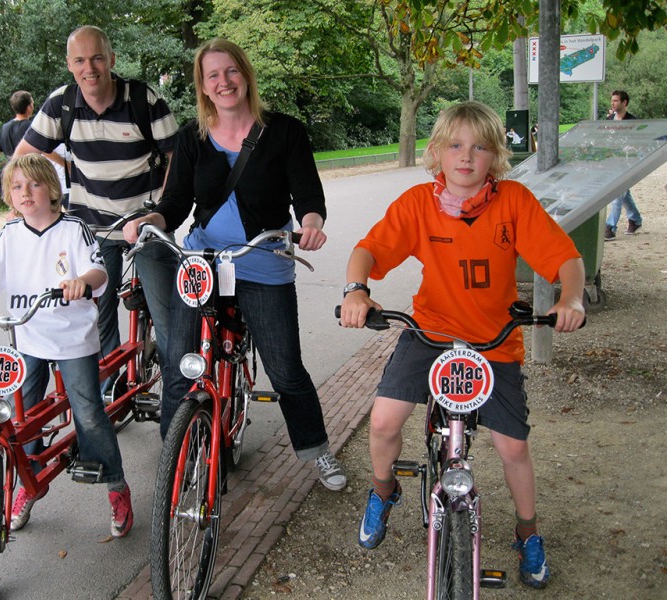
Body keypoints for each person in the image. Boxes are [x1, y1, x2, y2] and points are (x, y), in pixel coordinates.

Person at [339, 102, 586, 588]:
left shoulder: (513, 201)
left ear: (495, 158)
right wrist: (356, 290)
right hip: (430, 332)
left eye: (480, 147)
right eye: (455, 145)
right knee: (385, 419)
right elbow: (367, 250)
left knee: (513, 445)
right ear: (438, 153)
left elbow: (565, 258)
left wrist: (572, 298)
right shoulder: (417, 203)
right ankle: (384, 491)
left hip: (492, 343)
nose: (466, 157)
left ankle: (527, 531)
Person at [122, 38, 347, 491]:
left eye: (230, 72)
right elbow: (177, 201)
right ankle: (177, 453)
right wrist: (151, 219)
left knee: (285, 368)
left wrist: (311, 222)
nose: (223, 82)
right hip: (203, 259)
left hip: (262, 257)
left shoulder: (284, 131)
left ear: (245, 75)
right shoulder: (192, 136)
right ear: (203, 86)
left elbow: (307, 195)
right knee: (180, 359)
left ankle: (316, 450)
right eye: (212, 75)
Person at [0, 154, 133, 538]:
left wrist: (81, 282)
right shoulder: (9, 234)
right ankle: (31, 481)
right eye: (17, 186)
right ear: (9, 194)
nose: (25, 193)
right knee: (20, 417)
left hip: (71, 337)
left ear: (52, 190)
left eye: (34, 184)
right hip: (26, 335)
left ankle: (116, 485)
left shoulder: (73, 229)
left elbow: (97, 270)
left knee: (88, 411)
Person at [14, 25, 179, 390]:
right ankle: (110, 387)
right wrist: (36, 200)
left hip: (145, 223)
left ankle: (179, 399)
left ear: (112, 60)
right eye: (80, 60)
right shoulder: (61, 104)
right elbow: (23, 156)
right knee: (94, 312)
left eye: (97, 58)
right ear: (70, 65)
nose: (90, 68)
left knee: (166, 316)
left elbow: (176, 157)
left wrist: (161, 209)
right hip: (92, 225)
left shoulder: (144, 100)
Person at [0, 90, 35, 206]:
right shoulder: (32, 127)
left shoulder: (5, 128)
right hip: (31, 175)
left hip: (12, 177)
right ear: (29, 107)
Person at [604, 90, 643, 240]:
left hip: (626, 162)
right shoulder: (608, 120)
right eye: (612, 100)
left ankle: (610, 227)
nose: (612, 103)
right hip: (612, 161)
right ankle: (635, 219)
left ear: (624, 103)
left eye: (615, 101)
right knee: (623, 192)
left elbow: (638, 143)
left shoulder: (633, 121)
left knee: (617, 194)